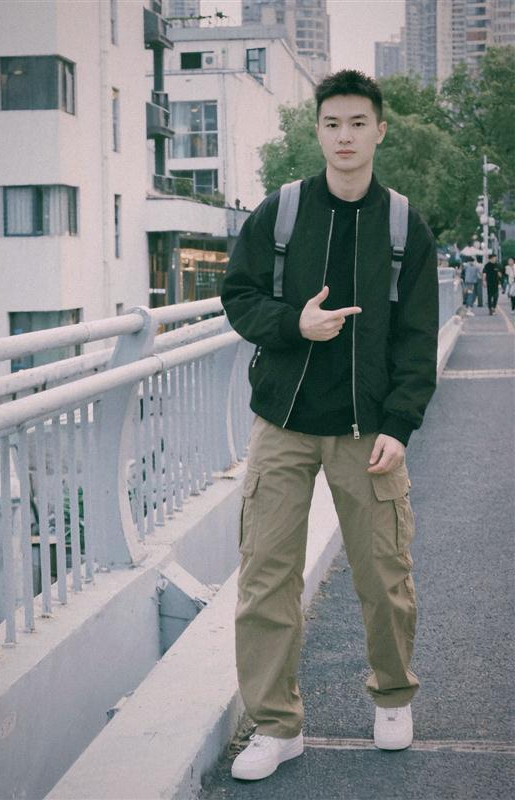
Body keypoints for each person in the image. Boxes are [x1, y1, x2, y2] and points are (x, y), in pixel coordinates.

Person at [221, 69, 439, 782]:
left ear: (380, 130)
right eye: (331, 124)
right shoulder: (282, 212)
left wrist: (400, 424)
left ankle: (393, 697)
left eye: (357, 123)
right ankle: (275, 725)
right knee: (265, 575)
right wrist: (295, 324)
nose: (344, 136)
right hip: (282, 422)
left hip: (366, 428)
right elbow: (237, 293)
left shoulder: (404, 225)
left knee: (384, 572)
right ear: (317, 132)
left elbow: (417, 337)